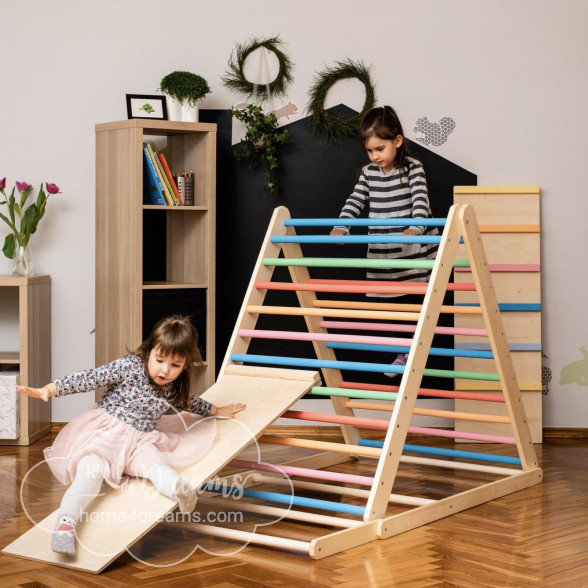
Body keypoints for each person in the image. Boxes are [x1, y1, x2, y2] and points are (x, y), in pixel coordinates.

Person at [18, 314, 245, 556]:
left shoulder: (172, 384)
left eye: (176, 366)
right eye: (159, 360)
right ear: (149, 351)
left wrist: (216, 410)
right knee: (90, 474)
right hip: (104, 435)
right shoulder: (129, 366)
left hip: (141, 439)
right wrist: (50, 389)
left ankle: (178, 488)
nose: (165, 370)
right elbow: (90, 378)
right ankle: (65, 526)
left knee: (153, 464)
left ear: (185, 365)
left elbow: (188, 402)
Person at [330, 105, 438, 377]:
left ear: (397, 141)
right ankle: (403, 352)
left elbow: (420, 200)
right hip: (382, 250)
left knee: (412, 304)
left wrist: (416, 226)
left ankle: (411, 353)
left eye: (380, 149)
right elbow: (355, 200)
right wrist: (342, 226)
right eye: (370, 151)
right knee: (388, 306)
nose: (375, 156)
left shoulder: (412, 168)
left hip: (410, 248)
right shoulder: (368, 173)